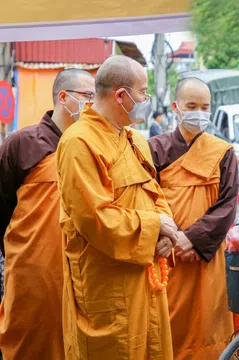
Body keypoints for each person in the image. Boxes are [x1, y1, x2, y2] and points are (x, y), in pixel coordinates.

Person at [56, 55, 177, 359]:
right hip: (106, 281)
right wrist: (154, 228)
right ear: (121, 96)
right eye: (143, 92)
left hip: (143, 273)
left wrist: (166, 231)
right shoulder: (79, 142)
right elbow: (93, 217)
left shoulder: (135, 139)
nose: (147, 100)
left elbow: (154, 191)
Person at [0, 69, 95, 359]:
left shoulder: (93, 144)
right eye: (87, 96)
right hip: (34, 266)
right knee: (32, 336)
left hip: (84, 267)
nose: (93, 104)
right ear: (63, 97)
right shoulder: (22, 143)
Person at [148, 77, 239, 359]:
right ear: (176, 107)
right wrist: (169, 236)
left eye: (205, 106)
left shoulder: (223, 151)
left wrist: (193, 237)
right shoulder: (154, 148)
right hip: (166, 252)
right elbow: (145, 196)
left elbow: (227, 204)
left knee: (207, 322)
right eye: (191, 105)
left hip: (205, 255)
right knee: (166, 323)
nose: (199, 112)